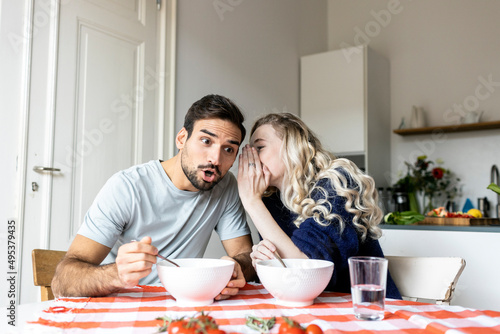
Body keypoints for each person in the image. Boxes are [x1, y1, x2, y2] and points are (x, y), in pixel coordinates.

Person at [52, 94, 255, 299]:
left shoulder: (226, 186)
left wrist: (237, 266)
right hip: (122, 306)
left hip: (181, 305)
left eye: (228, 149)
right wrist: (115, 274)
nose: (215, 158)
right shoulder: (127, 187)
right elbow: (62, 281)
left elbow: (245, 256)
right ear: (181, 139)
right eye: (206, 141)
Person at [237, 112, 401, 299]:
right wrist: (265, 259)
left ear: (291, 147)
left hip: (365, 308)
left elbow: (305, 273)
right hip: (312, 308)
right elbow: (288, 277)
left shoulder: (337, 184)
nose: (251, 158)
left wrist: (251, 201)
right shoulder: (270, 200)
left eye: (259, 147)